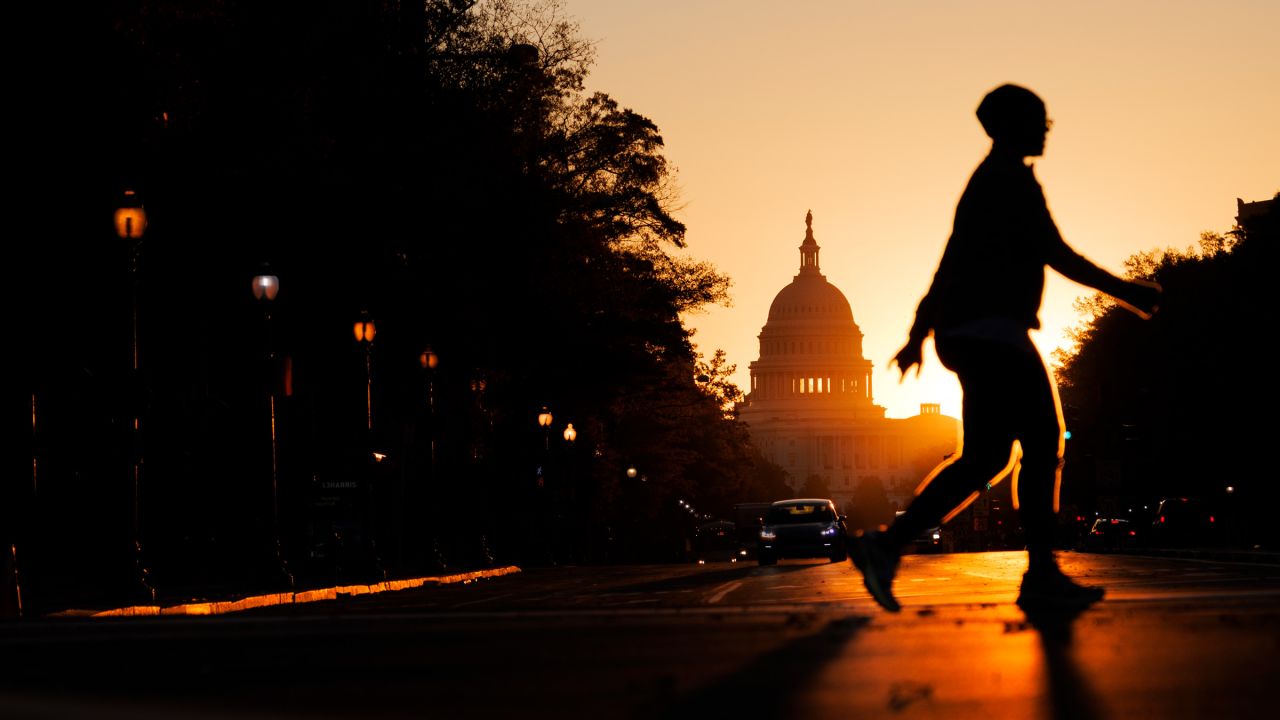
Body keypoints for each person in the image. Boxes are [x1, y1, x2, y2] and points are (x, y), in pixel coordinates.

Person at [848, 83, 1162, 613]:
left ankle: (891, 546)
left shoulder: (991, 181)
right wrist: (1128, 292)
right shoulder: (1006, 182)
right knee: (1040, 443)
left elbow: (949, 261)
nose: (1047, 127)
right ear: (1008, 124)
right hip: (990, 332)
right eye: (1038, 118)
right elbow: (1054, 253)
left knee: (986, 458)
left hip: (971, 331)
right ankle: (1037, 573)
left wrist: (918, 333)